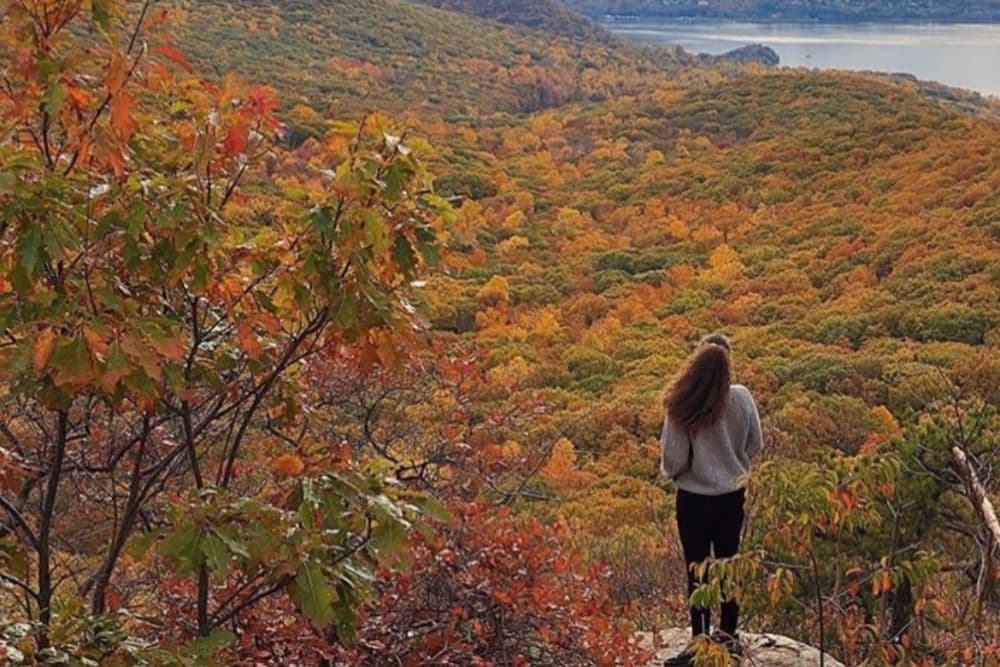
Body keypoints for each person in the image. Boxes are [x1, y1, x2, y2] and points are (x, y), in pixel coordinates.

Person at [660, 334, 762, 666]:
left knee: (697, 572)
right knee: (730, 567)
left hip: (694, 501)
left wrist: (691, 471)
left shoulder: (683, 404)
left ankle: (699, 647)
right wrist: (733, 466)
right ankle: (729, 640)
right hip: (733, 496)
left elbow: (673, 461)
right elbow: (754, 445)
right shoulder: (742, 398)